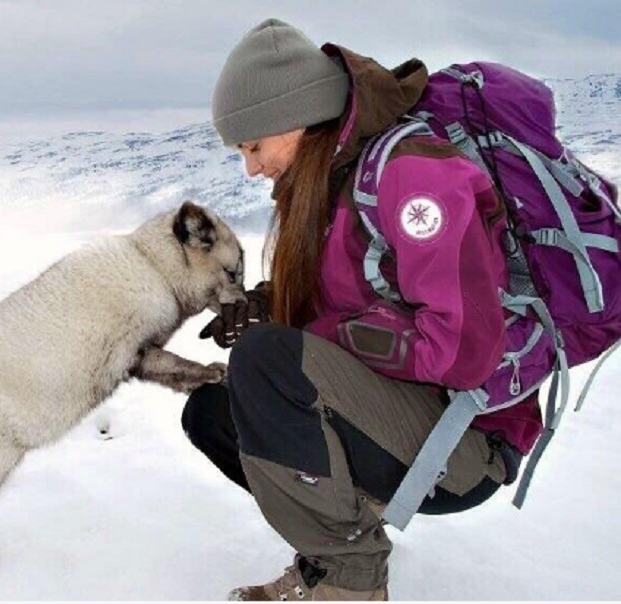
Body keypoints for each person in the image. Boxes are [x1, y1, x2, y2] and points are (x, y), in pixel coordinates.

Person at [182, 18, 544, 601]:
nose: (250, 167)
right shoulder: (336, 181)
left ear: (299, 114)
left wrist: (302, 336)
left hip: (467, 438)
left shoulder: (412, 176)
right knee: (213, 413)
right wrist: (268, 305)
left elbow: (461, 348)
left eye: (254, 145)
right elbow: (357, 293)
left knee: (268, 365)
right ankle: (337, 547)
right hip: (407, 414)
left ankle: (351, 579)